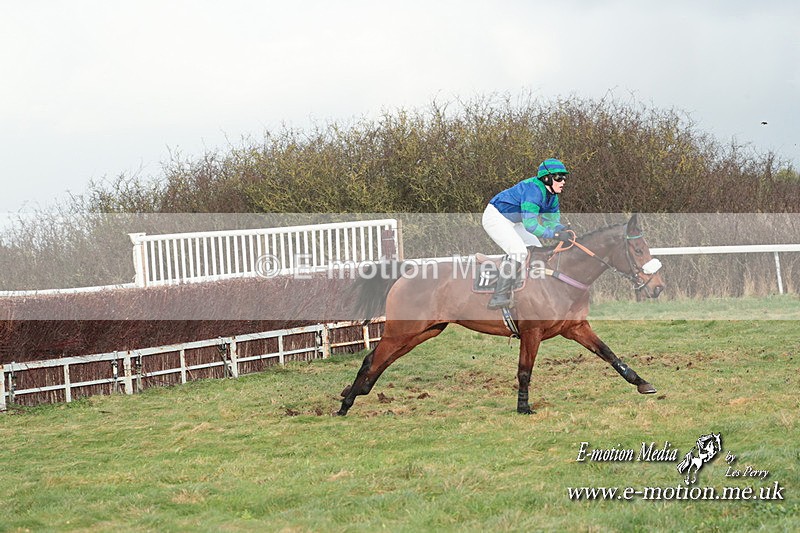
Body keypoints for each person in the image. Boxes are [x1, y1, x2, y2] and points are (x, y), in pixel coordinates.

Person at [482, 158, 572, 309]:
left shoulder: (552, 197)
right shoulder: (533, 191)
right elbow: (531, 226)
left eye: (564, 177)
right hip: (496, 217)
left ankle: (530, 291)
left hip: (515, 222)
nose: (563, 181)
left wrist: (562, 230)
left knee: (537, 250)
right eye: (558, 177)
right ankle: (499, 296)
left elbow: (550, 222)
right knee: (519, 252)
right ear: (546, 178)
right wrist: (555, 235)